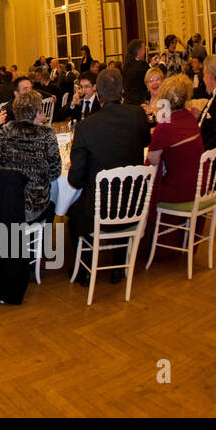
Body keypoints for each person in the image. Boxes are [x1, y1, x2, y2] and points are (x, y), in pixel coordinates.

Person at [66, 68, 152, 282]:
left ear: (99, 94)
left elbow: (74, 180)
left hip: (99, 210)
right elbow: (145, 143)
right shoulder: (138, 115)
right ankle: (117, 267)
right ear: (122, 90)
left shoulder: (86, 127)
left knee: (72, 210)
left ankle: (84, 271)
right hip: (133, 204)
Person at [0, 90, 62, 223]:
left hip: (9, 203)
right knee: (55, 200)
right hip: (34, 207)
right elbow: (55, 172)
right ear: (37, 112)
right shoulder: (46, 134)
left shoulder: (6, 130)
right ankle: (42, 242)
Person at [146, 74, 206, 224]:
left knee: (142, 194)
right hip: (199, 184)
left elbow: (152, 160)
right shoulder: (189, 116)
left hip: (182, 190)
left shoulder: (165, 127)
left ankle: (145, 234)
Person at [122, 39, 149, 106]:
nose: (144, 51)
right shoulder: (142, 65)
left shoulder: (127, 65)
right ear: (139, 51)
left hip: (127, 103)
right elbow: (151, 75)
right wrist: (161, 63)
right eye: (143, 49)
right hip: (139, 103)